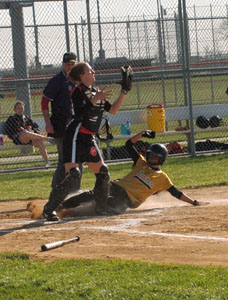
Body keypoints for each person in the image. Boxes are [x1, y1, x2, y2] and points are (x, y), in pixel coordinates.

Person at [42, 62, 133, 221]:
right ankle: (49, 209)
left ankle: (101, 208)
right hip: (75, 136)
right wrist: (95, 99)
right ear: (81, 75)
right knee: (73, 175)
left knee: (103, 172)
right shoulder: (77, 91)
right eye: (89, 70)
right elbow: (79, 113)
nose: (93, 72)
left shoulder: (96, 92)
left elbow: (113, 110)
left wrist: (124, 91)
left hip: (89, 137)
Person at [58, 130, 200, 215]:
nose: (151, 158)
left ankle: (72, 213)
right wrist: (142, 134)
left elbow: (176, 193)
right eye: (151, 155)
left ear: (162, 159)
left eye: (155, 157)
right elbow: (128, 145)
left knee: (108, 205)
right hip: (115, 186)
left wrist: (193, 202)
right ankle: (61, 206)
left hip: (125, 200)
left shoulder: (162, 178)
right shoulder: (141, 162)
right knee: (93, 194)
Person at [41, 52, 80, 187]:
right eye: (67, 64)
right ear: (63, 64)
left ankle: (74, 191)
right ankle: (56, 190)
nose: (70, 67)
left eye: (72, 64)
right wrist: (47, 123)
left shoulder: (79, 80)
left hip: (76, 122)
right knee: (64, 159)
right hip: (60, 122)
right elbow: (44, 102)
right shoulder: (57, 80)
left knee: (77, 158)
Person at [5, 101, 55, 167]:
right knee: (25, 132)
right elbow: (17, 129)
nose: (20, 110)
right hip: (19, 138)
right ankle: (46, 138)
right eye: (18, 108)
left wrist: (32, 131)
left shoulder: (26, 118)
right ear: (15, 109)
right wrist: (26, 130)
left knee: (40, 142)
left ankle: (47, 162)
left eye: (21, 108)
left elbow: (36, 127)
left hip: (30, 138)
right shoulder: (12, 118)